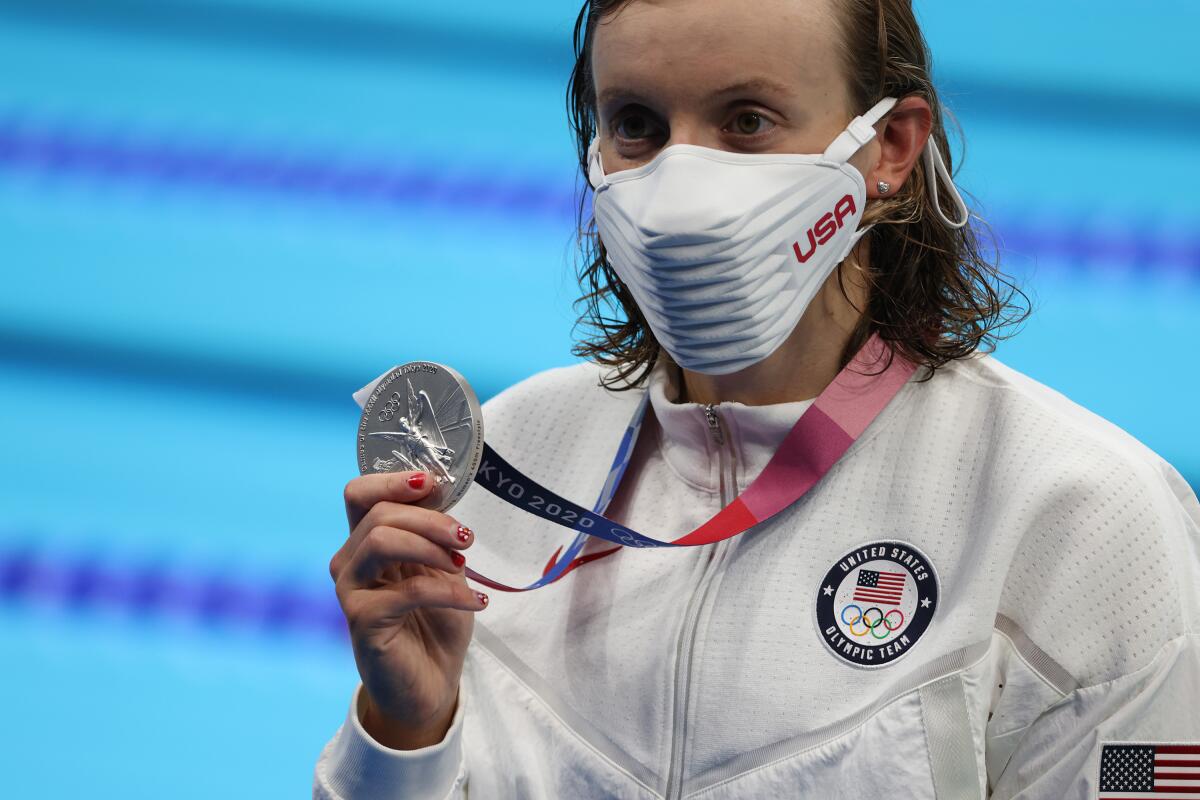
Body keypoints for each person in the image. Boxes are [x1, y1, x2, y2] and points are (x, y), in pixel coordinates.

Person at [313, 0, 1200, 797]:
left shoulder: (1081, 516)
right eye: (638, 125)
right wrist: (403, 739)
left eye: (747, 121)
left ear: (889, 147)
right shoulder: (506, 461)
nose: (679, 191)